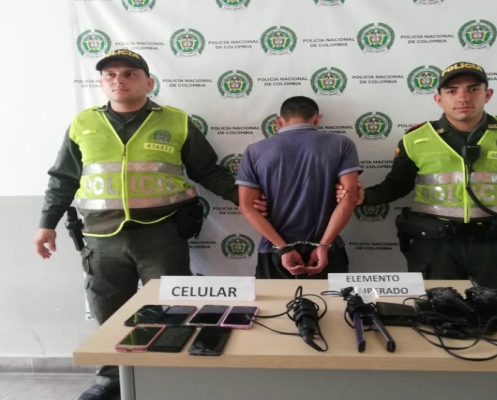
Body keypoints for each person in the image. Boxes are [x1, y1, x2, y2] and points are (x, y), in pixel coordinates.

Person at [32, 49, 265, 400]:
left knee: (170, 309)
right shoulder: (83, 123)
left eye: (129, 73)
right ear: (101, 83)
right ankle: (111, 381)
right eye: (110, 75)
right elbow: (63, 178)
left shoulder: (176, 121)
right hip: (101, 238)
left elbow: (207, 171)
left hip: (162, 234)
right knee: (108, 313)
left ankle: (165, 378)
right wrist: (46, 223)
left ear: (148, 82)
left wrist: (242, 199)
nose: (118, 80)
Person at [337, 61, 497, 297]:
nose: (463, 97)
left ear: (487, 95)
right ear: (439, 99)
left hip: (494, 242)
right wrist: (364, 197)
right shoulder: (416, 139)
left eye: (473, 89)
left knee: (496, 311)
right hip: (436, 243)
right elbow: (397, 185)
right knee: (438, 311)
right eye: (452, 91)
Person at [237, 96, 361, 279]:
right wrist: (323, 246)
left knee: (272, 299)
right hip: (327, 250)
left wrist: (283, 248)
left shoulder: (254, 150)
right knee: (332, 299)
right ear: (317, 119)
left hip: (274, 252)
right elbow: (349, 196)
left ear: (278, 121)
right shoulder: (342, 144)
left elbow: (246, 207)